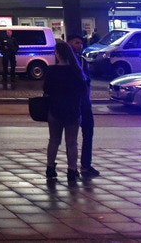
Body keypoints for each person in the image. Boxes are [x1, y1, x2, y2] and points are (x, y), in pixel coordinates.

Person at [43, 39, 87, 184]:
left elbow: (46, 90)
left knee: (54, 140)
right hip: (73, 110)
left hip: (55, 110)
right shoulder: (76, 71)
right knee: (72, 142)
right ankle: (72, 170)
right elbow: (83, 91)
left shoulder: (52, 71)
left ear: (57, 54)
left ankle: (50, 168)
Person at [69, 34, 100, 177]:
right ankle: (72, 167)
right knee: (71, 137)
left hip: (84, 102)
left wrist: (88, 98)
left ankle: (86, 164)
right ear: (69, 44)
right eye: (76, 42)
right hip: (72, 102)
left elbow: (88, 82)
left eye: (81, 43)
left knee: (88, 132)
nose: (79, 45)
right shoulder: (65, 61)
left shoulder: (82, 61)